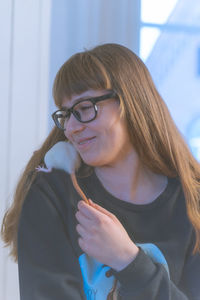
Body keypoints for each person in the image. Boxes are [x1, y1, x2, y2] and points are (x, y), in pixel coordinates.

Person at [1, 43, 200, 300]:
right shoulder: (50, 194)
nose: (71, 127)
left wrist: (129, 260)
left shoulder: (192, 201)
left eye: (84, 109)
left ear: (131, 102)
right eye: (66, 114)